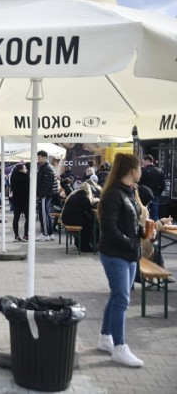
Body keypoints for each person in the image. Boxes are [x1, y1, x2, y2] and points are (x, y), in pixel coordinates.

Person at [96, 153, 145, 367]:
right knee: (122, 300)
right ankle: (120, 347)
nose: (141, 170)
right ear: (132, 170)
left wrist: (143, 232)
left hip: (128, 253)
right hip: (116, 255)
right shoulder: (114, 194)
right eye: (139, 167)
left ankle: (105, 338)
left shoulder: (129, 191)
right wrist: (131, 243)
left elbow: (130, 222)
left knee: (117, 297)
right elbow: (109, 228)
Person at [61, 182, 99, 253]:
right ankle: (84, 246)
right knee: (89, 224)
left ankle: (78, 242)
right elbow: (89, 209)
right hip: (71, 220)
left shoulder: (74, 195)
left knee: (86, 221)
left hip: (66, 219)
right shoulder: (84, 198)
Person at [36, 150, 56, 241]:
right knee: (47, 214)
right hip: (47, 194)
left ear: (44, 157)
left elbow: (46, 184)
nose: (38, 159)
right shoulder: (47, 167)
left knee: (44, 214)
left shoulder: (46, 168)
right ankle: (50, 233)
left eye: (39, 157)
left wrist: (41, 195)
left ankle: (45, 234)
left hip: (45, 195)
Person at [139, 154, 165, 221]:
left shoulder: (143, 171)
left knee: (144, 215)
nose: (142, 163)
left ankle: (145, 230)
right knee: (155, 215)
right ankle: (157, 230)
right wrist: (158, 193)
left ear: (147, 161)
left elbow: (139, 184)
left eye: (143, 162)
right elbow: (163, 185)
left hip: (144, 197)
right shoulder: (159, 171)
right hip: (155, 195)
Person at [10, 163, 30, 242]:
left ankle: (16, 235)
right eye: (24, 168)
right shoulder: (27, 177)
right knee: (28, 218)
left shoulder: (13, 176)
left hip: (16, 200)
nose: (26, 170)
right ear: (20, 170)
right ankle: (26, 235)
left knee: (16, 218)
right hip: (26, 200)